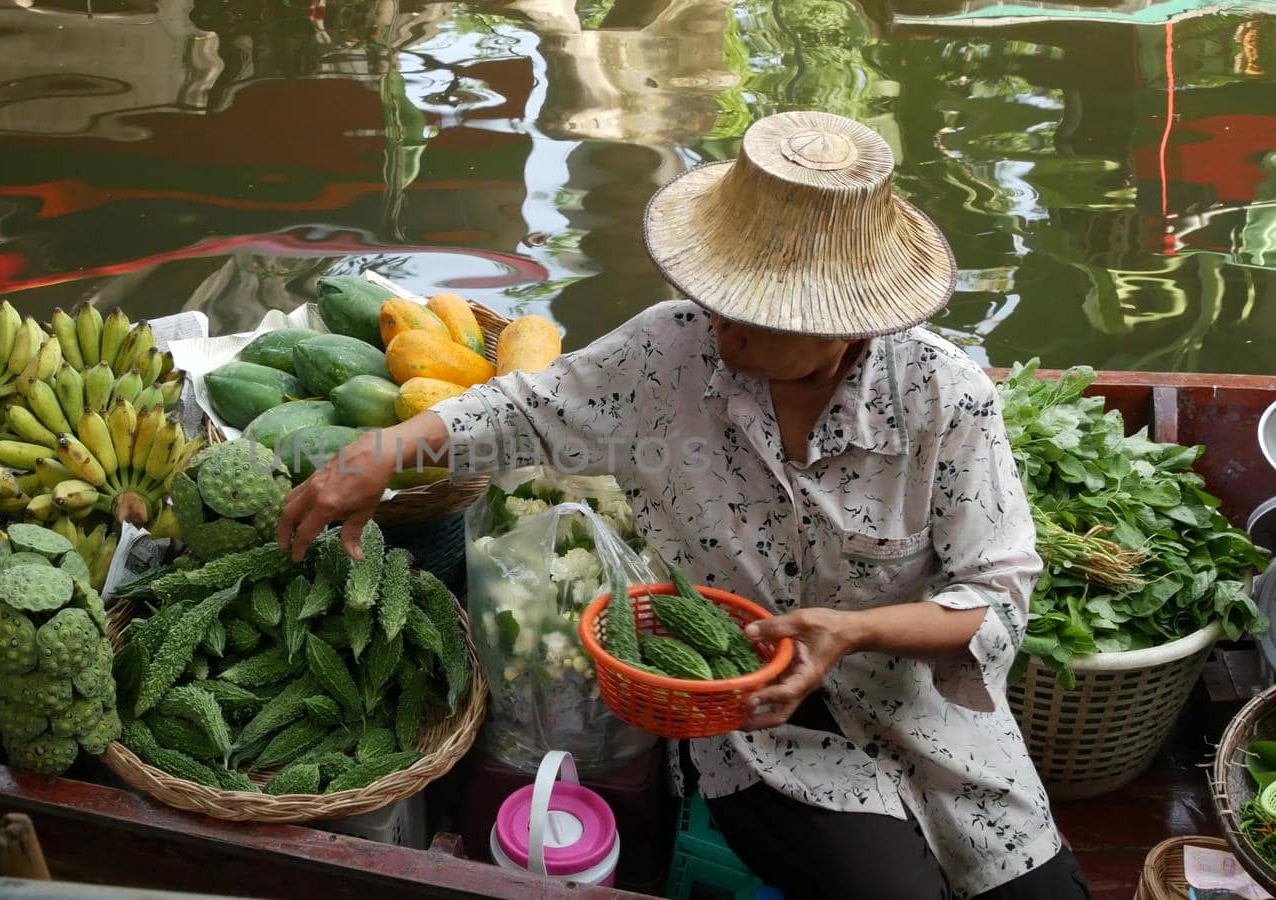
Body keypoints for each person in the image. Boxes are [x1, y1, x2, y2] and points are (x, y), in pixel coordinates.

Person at [277, 110, 1091, 900]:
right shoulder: (666, 355)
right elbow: (523, 410)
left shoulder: (945, 397)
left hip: (928, 715)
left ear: (846, 328)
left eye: (751, 313)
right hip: (751, 720)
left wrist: (850, 633)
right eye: (715, 295)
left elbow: (995, 599)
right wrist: (382, 451)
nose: (718, 322)